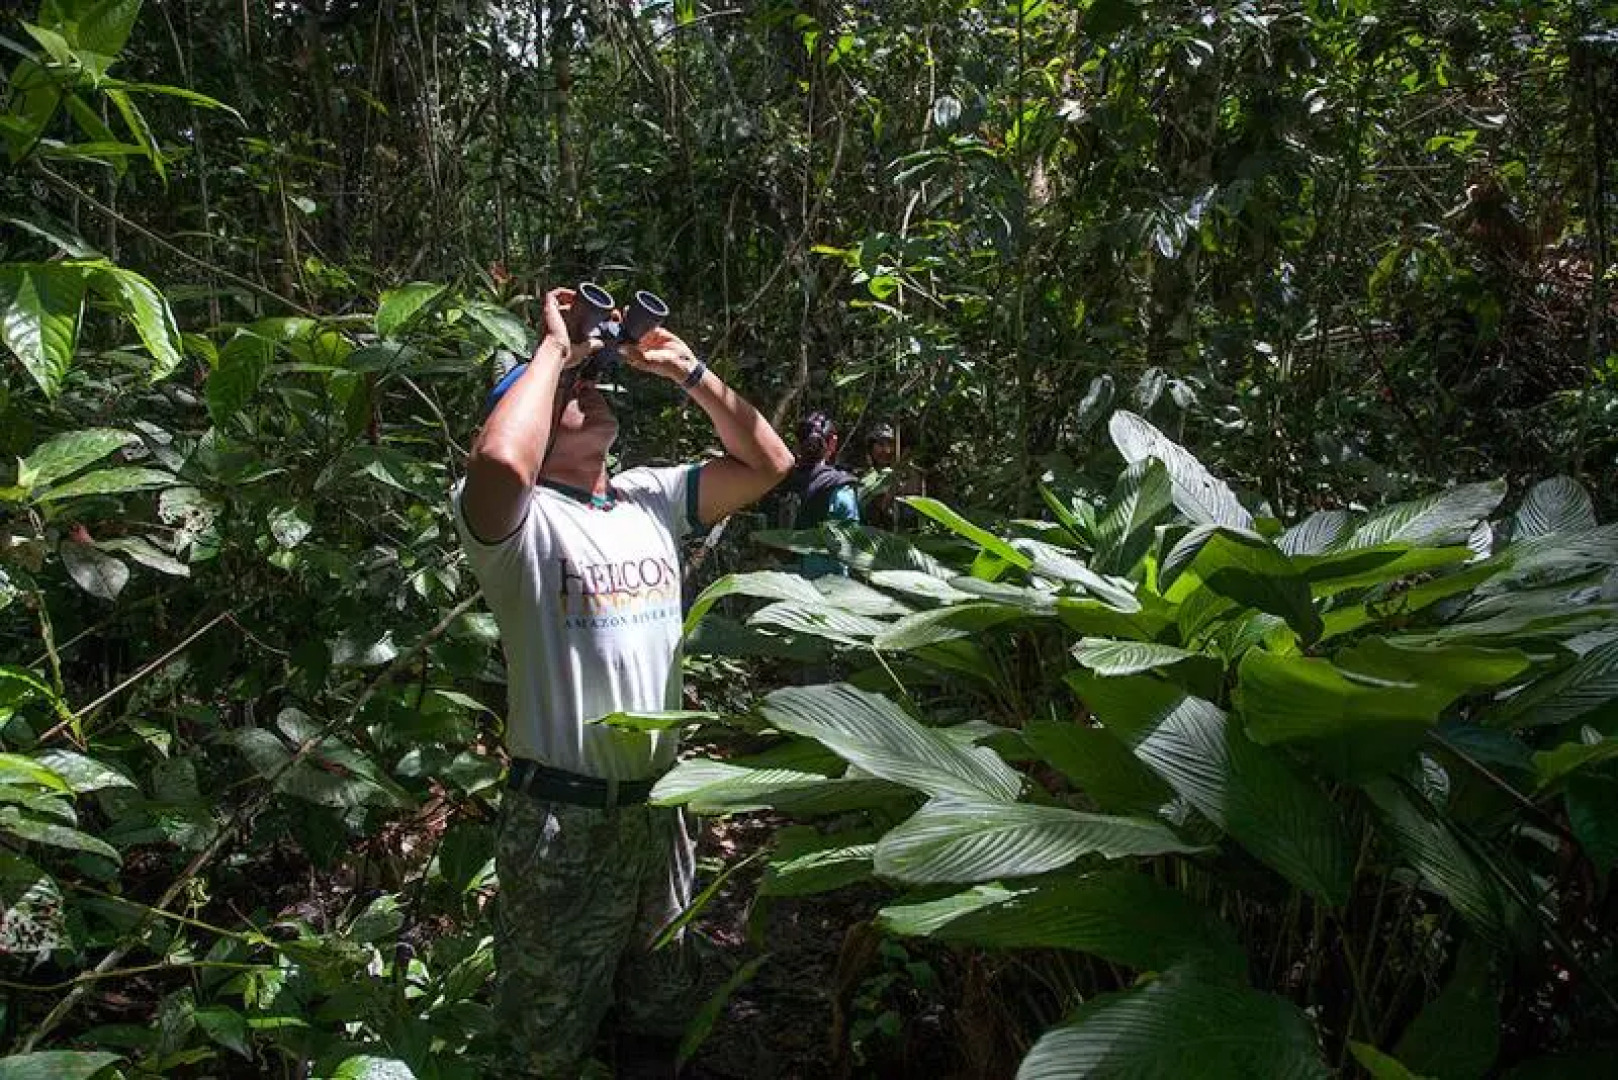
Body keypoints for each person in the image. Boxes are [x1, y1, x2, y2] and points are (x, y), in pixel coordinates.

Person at [453, 286, 794, 1078]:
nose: (590, 387)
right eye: (572, 390)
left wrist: (689, 371)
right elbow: (500, 459)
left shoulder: (647, 499)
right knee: (547, 1038)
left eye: (592, 379)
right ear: (534, 418)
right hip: (562, 821)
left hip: (660, 812)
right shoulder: (518, 522)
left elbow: (770, 463)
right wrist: (554, 351)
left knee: (661, 1010)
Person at [781, 411, 860, 578]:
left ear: (797, 444)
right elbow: (851, 542)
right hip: (827, 586)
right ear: (832, 443)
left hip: (779, 581)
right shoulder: (840, 488)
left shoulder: (777, 481)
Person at [859, 421, 900, 530]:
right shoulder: (862, 475)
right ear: (871, 447)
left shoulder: (893, 474)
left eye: (890, 445)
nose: (887, 450)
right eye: (881, 445)